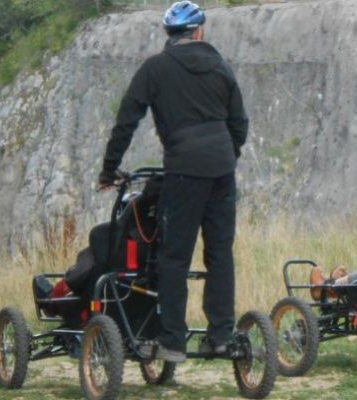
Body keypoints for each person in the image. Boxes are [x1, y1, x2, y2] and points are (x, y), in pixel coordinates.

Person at [97, 1, 249, 362]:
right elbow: (239, 123)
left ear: (169, 34)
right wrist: (226, 155)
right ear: (199, 32)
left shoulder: (155, 69)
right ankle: (220, 337)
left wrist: (109, 169)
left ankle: (172, 341)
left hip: (184, 169)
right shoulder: (221, 67)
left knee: (174, 257)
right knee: (219, 254)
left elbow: (127, 120)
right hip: (222, 169)